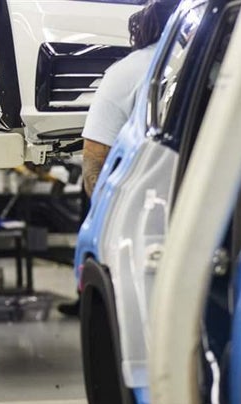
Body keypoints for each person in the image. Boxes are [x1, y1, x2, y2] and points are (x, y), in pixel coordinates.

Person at [58, 0, 179, 317]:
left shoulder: (123, 74)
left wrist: (114, 221)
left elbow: (93, 162)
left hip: (142, 212)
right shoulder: (214, 66)